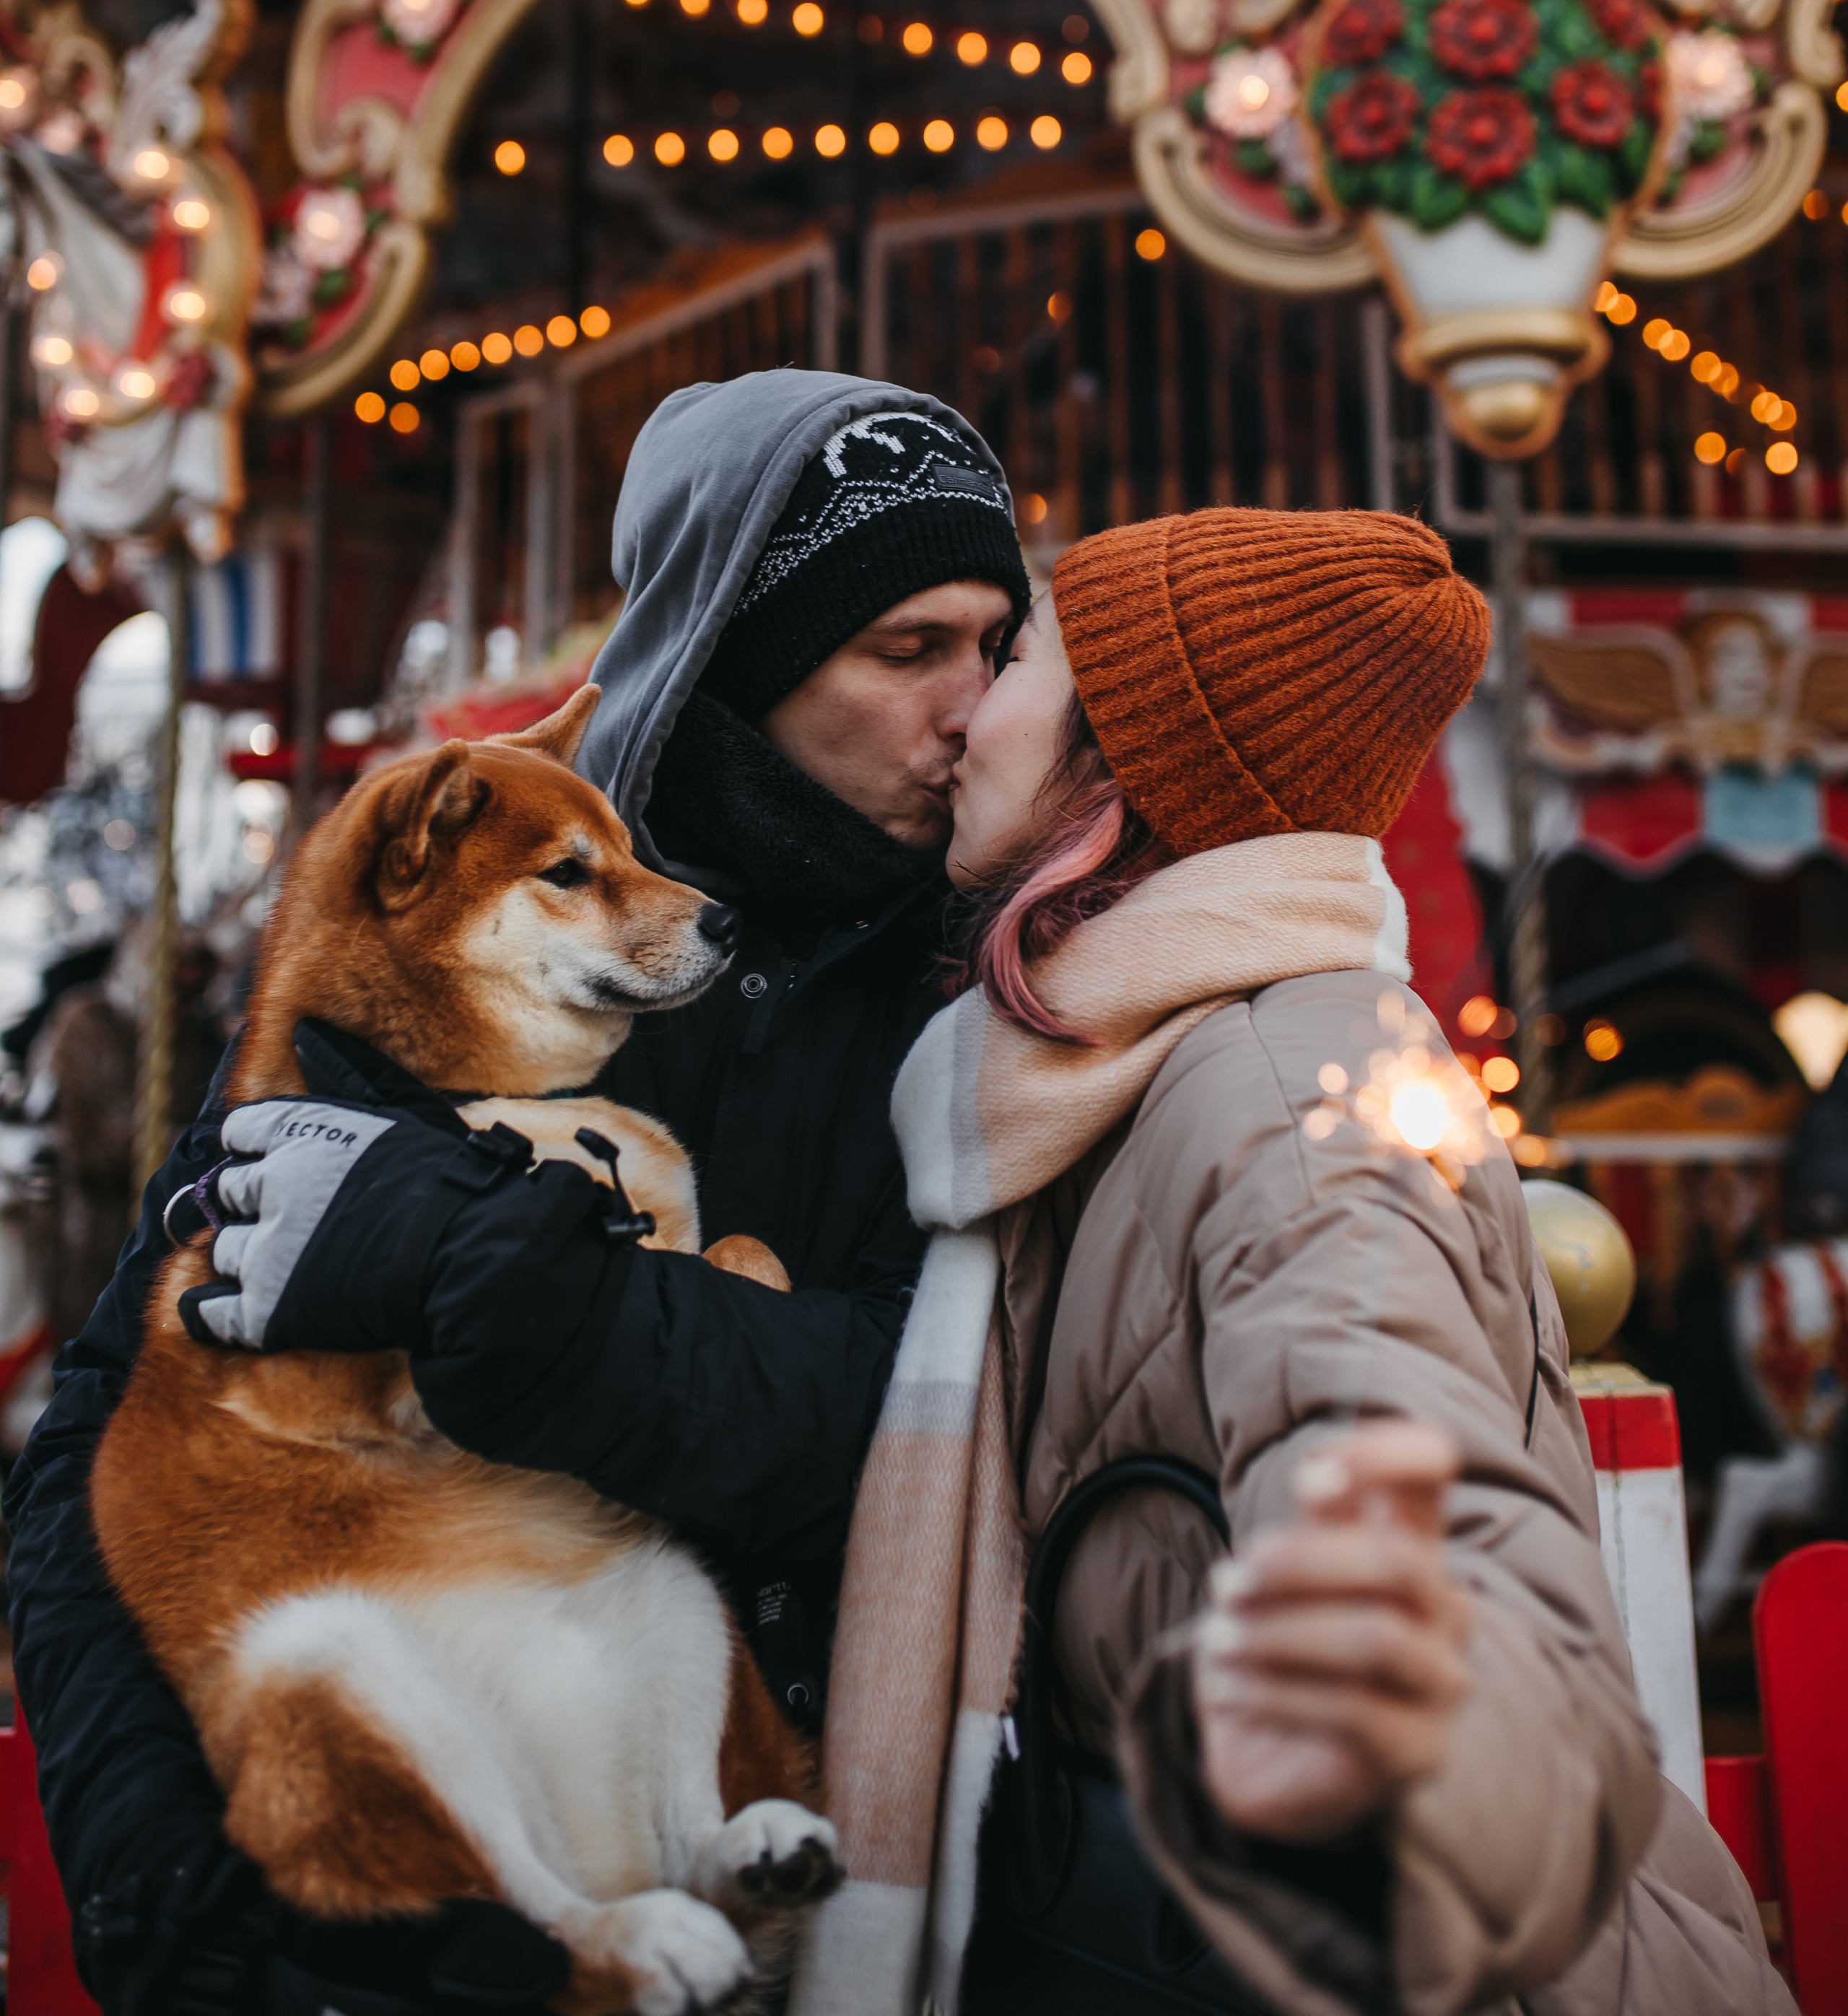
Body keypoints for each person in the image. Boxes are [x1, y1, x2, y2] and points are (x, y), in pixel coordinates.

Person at [4, 369, 1029, 2016]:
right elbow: (115, 1426)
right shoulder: (432, 942)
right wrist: (182, 1907)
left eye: (995, 646)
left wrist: (494, 1277)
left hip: (770, 1867)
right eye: (904, 649)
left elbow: (929, 1412)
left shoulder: (989, 988)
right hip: (381, 1881)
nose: (969, 707)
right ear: (741, 660)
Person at [792, 506, 1790, 2016]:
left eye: (1019, 660)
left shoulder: (1280, 1102)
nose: (966, 709)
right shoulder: (1139, 1062)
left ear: (1117, 758)